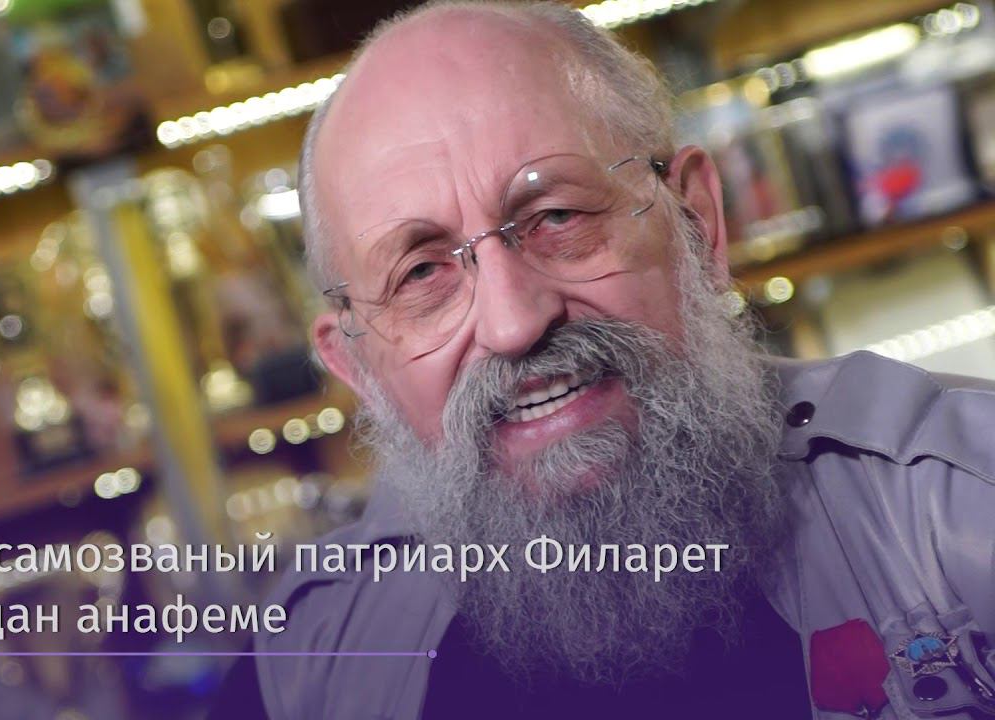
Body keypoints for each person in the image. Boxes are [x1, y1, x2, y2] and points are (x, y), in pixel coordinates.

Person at [210, 2, 995, 718]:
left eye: (558, 216)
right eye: (421, 274)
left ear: (696, 224)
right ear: (357, 368)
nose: (514, 322)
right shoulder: (310, 662)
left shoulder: (964, 517)